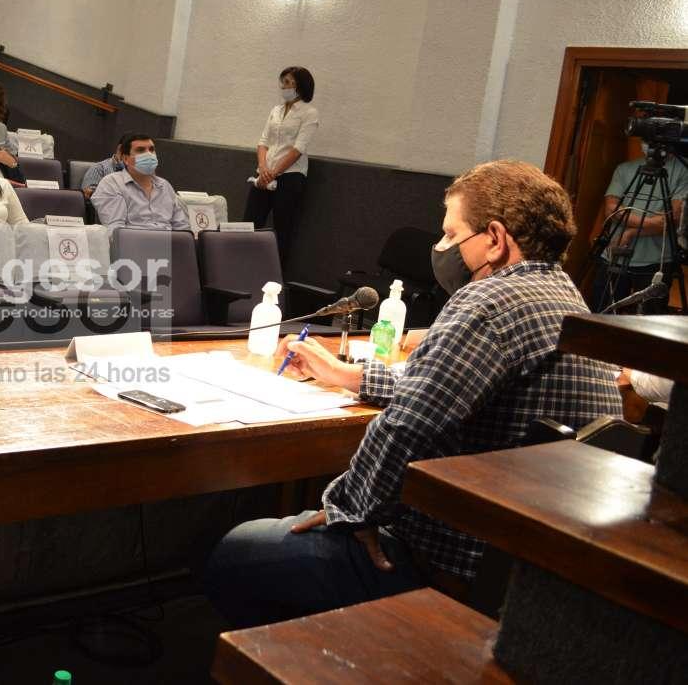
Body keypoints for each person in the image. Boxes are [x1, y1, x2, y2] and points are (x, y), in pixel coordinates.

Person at [204, 160, 624, 630]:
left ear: (495, 238)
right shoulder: (566, 297)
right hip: (530, 568)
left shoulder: (488, 302)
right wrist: (350, 376)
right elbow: (445, 388)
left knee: (238, 553)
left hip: (454, 564)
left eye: (452, 234)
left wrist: (351, 512)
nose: (443, 247)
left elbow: (410, 424)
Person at [588, 149, 687, 311]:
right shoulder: (624, 169)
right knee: (602, 312)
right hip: (615, 255)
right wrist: (652, 223)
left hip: (656, 262)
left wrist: (631, 232)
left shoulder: (683, 170)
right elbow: (612, 209)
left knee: (648, 319)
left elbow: (672, 219)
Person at [245, 66, 318, 267]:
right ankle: (243, 266)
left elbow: (298, 149)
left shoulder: (309, 113)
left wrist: (274, 172)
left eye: (287, 82)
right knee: (249, 222)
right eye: (282, 82)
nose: (283, 86)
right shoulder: (276, 110)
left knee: (282, 228)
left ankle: (275, 273)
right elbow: (263, 142)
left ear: (299, 86)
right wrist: (263, 168)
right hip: (264, 173)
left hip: (290, 176)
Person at [91, 135, 189, 231]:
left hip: (169, 240)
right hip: (132, 240)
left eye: (151, 149)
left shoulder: (164, 185)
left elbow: (182, 228)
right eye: (141, 150)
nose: (149, 154)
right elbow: (116, 231)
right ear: (125, 159)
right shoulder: (112, 183)